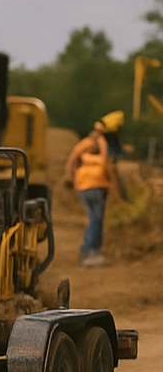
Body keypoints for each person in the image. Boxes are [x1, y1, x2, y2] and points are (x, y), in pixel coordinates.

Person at [64, 110, 126, 268]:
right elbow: (108, 165)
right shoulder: (104, 144)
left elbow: (72, 158)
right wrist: (116, 187)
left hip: (83, 186)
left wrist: (70, 177)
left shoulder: (85, 143)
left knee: (93, 218)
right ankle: (90, 252)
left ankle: (89, 251)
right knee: (96, 219)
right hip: (96, 186)